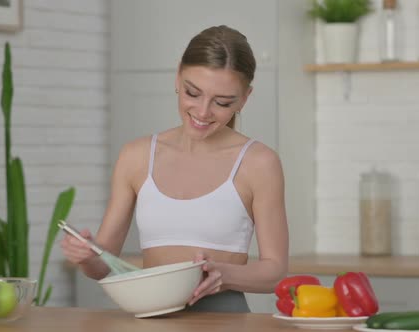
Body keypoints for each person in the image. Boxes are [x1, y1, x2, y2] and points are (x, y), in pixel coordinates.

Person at [61, 25, 288, 313]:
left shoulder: (259, 162)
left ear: (244, 98)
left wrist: (224, 276)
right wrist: (86, 255)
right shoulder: (137, 156)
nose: (203, 112)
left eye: (222, 102)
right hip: (148, 317)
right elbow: (103, 266)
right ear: (177, 76)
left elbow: (276, 270)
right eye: (193, 93)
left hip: (225, 319)